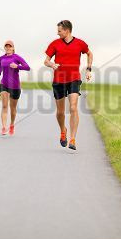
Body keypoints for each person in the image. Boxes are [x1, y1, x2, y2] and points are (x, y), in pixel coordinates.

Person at [44, 20, 93, 151]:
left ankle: (72, 138)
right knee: (60, 112)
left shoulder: (80, 43)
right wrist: (52, 64)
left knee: (73, 107)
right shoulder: (55, 44)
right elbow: (46, 61)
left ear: (67, 30)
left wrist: (88, 69)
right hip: (59, 80)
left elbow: (89, 53)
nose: (57, 33)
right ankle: (63, 130)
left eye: (59, 30)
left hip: (74, 79)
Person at [0, 40, 30, 135]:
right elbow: (0, 69)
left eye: (10, 46)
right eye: (6, 46)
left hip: (15, 86)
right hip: (4, 84)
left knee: (13, 108)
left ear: (13, 48)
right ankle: (3, 127)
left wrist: (17, 66)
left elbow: (27, 67)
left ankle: (12, 124)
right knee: (4, 105)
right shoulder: (1, 58)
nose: (8, 48)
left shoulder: (16, 57)